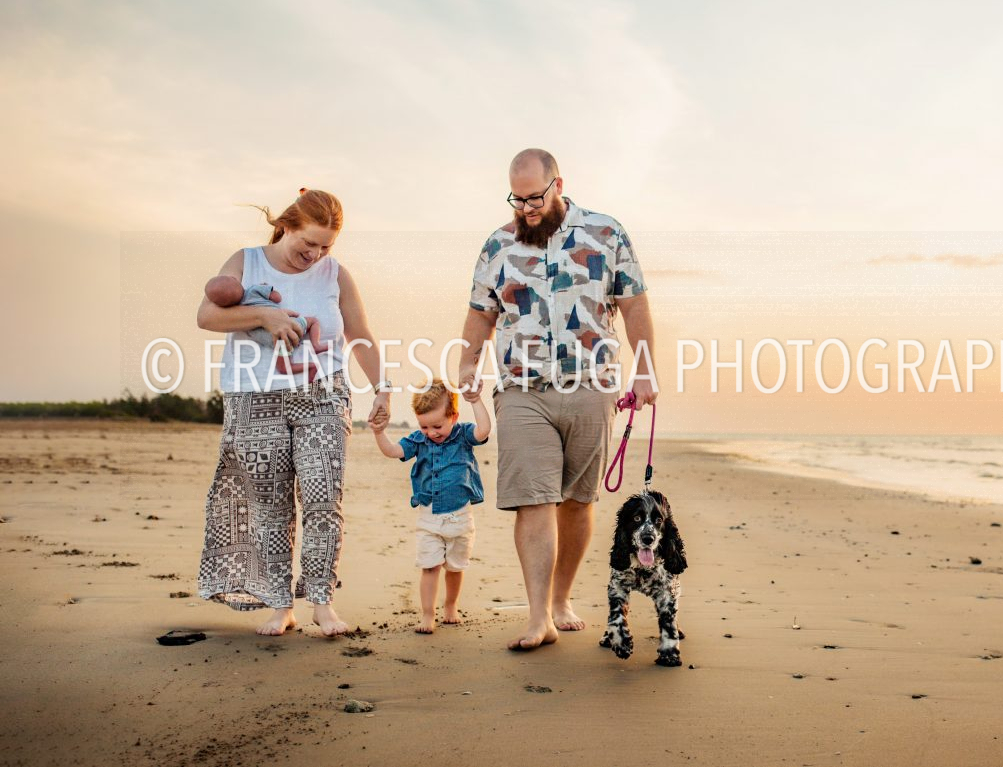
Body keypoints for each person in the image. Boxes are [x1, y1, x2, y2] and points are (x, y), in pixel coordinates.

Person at [458, 148, 658, 650]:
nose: (526, 208)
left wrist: (645, 370)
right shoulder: (498, 245)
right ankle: (537, 616)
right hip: (521, 389)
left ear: (558, 185)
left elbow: (634, 305)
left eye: (534, 197)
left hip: (591, 384)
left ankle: (561, 598)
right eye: (517, 199)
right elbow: (480, 313)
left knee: (576, 501)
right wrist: (468, 363)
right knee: (534, 498)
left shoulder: (606, 233)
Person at [196, 188, 391, 636]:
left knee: (324, 498)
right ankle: (280, 605)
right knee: (270, 506)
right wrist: (264, 317)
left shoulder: (335, 274)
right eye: (309, 243)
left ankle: (322, 602)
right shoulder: (247, 262)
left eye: (325, 246)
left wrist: (383, 388)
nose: (315, 254)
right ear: (286, 226)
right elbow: (206, 316)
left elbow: (360, 333)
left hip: (323, 396)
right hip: (253, 397)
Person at [372, 379, 490, 634]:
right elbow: (393, 451)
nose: (432, 432)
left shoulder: (463, 435)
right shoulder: (419, 440)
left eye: (437, 426)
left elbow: (484, 430)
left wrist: (475, 400)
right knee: (429, 566)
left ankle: (451, 606)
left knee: (456, 567)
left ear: (453, 416)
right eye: (424, 426)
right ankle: (428, 614)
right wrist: (379, 432)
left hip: (460, 516)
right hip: (429, 516)